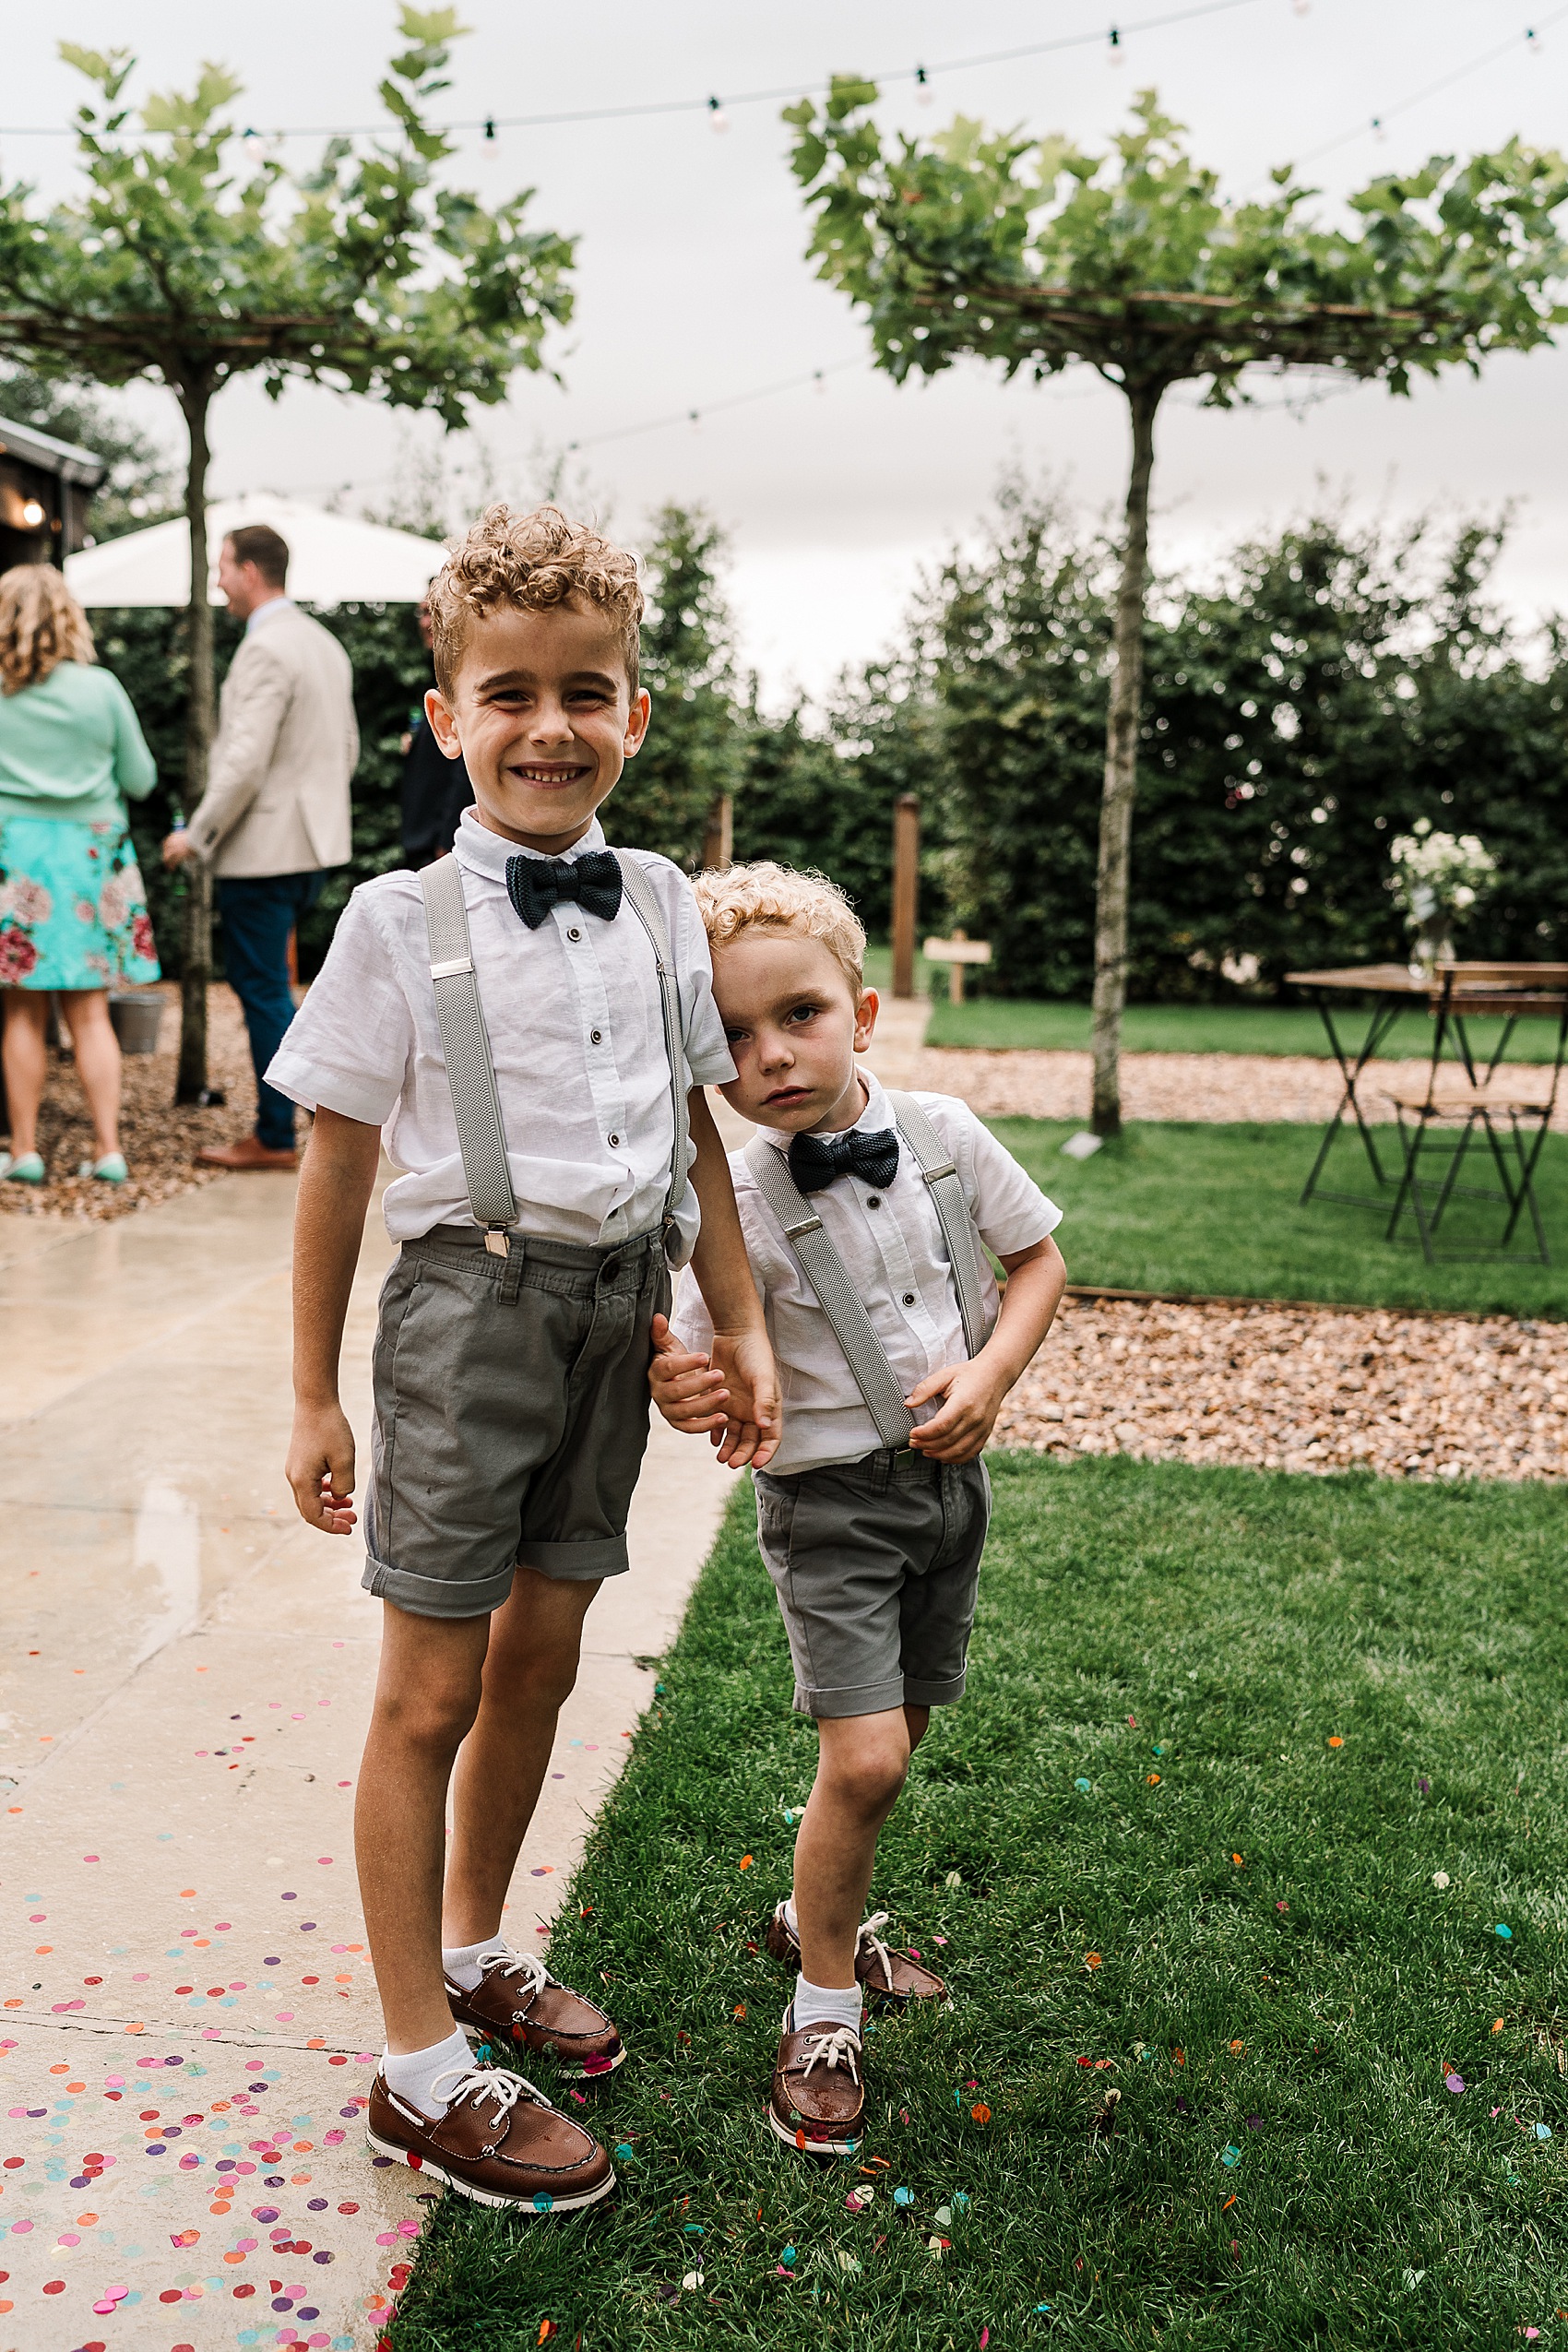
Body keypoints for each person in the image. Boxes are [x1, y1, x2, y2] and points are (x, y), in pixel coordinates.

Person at [268, 505, 780, 2210]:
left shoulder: (656, 902)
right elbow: (335, 1165)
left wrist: (737, 1320)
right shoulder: (391, 922)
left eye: (588, 692)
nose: (548, 726)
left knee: (543, 1656)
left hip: (617, 1317)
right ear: (445, 718)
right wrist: (309, 1387)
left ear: (638, 713)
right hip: (464, 1316)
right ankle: (418, 2068)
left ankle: (479, 1945)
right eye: (509, 694)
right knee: (430, 1688)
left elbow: (698, 1138)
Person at [652, 861, 1066, 2156]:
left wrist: (992, 1374)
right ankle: (822, 2001)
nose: (770, 1053)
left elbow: (1039, 1258)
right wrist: (687, 1376)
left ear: (865, 1011)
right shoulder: (735, 1200)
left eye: (800, 1015)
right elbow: (695, 1347)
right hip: (827, 1505)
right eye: (731, 1035)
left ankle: (812, 1908)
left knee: (904, 1736)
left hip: (951, 1491)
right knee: (867, 1755)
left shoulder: (945, 1130)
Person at [162, 523, 358, 1171]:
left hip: (264, 848)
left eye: (222, 567)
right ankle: (314, 1109)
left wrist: (197, 832)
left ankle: (279, 1131)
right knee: (278, 984)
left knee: (261, 985)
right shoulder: (324, 644)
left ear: (250, 571)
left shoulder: (266, 648)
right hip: (312, 845)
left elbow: (244, 762)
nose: (217, 580)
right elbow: (348, 751)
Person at [0, 564, 160, 1187]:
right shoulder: (102, 690)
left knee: (21, 1013)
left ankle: (25, 1151)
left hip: (17, 858)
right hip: (91, 863)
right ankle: (108, 1148)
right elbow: (141, 779)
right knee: (90, 1011)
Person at [400, 591, 472, 867]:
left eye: (435, 611)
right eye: (423, 613)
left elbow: (466, 766)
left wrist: (450, 839)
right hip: (424, 842)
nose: (426, 622)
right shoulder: (436, 675)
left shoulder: (463, 682)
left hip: (445, 847)